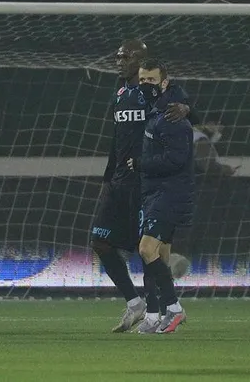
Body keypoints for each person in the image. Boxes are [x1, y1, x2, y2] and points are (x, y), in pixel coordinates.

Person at [90, 39, 192, 333]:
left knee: (148, 250)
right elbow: (116, 141)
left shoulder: (160, 94)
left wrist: (186, 107)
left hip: (146, 182)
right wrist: (107, 179)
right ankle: (135, 302)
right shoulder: (120, 93)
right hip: (119, 182)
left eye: (126, 57)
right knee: (99, 241)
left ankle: (157, 312)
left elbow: (187, 108)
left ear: (140, 60)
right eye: (118, 56)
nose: (119, 61)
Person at [128, 58, 194, 334]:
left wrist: (141, 164)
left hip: (169, 194)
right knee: (160, 255)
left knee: (146, 249)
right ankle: (159, 314)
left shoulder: (172, 117)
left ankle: (174, 308)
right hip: (155, 192)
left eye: (152, 80)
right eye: (143, 80)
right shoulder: (154, 110)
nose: (146, 85)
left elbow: (176, 160)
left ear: (164, 83)